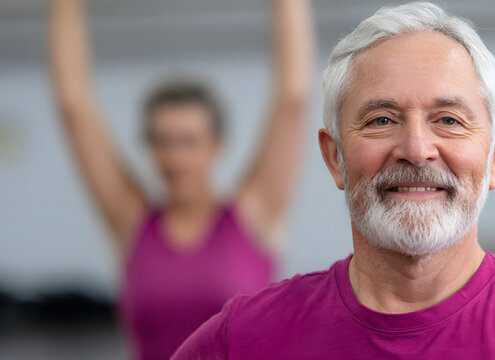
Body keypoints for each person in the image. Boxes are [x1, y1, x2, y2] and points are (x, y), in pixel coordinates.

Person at [173, 2, 495, 359]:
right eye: (381, 120)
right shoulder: (245, 340)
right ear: (335, 157)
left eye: (448, 120)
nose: (416, 149)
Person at [46, 0, 314, 358]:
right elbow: (73, 107)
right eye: (162, 142)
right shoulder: (133, 220)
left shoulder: (254, 213)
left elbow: (293, 100)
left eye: (189, 142)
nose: (175, 158)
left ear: (216, 144)